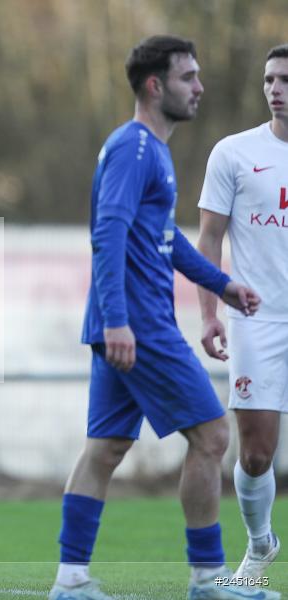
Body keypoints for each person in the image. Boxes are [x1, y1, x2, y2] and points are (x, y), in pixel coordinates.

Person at [49, 36, 276, 600]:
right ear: (156, 85)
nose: (199, 87)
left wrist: (222, 284)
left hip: (125, 324)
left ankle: (70, 580)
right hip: (139, 326)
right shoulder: (135, 150)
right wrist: (119, 322)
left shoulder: (151, 150)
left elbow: (166, 240)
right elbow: (108, 232)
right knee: (212, 435)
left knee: (104, 448)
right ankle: (207, 580)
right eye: (188, 77)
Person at [195, 43, 288, 582]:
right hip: (257, 320)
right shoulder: (232, 153)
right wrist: (209, 314)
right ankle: (259, 547)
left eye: (286, 80)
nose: (275, 89)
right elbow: (208, 240)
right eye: (269, 80)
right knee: (255, 454)